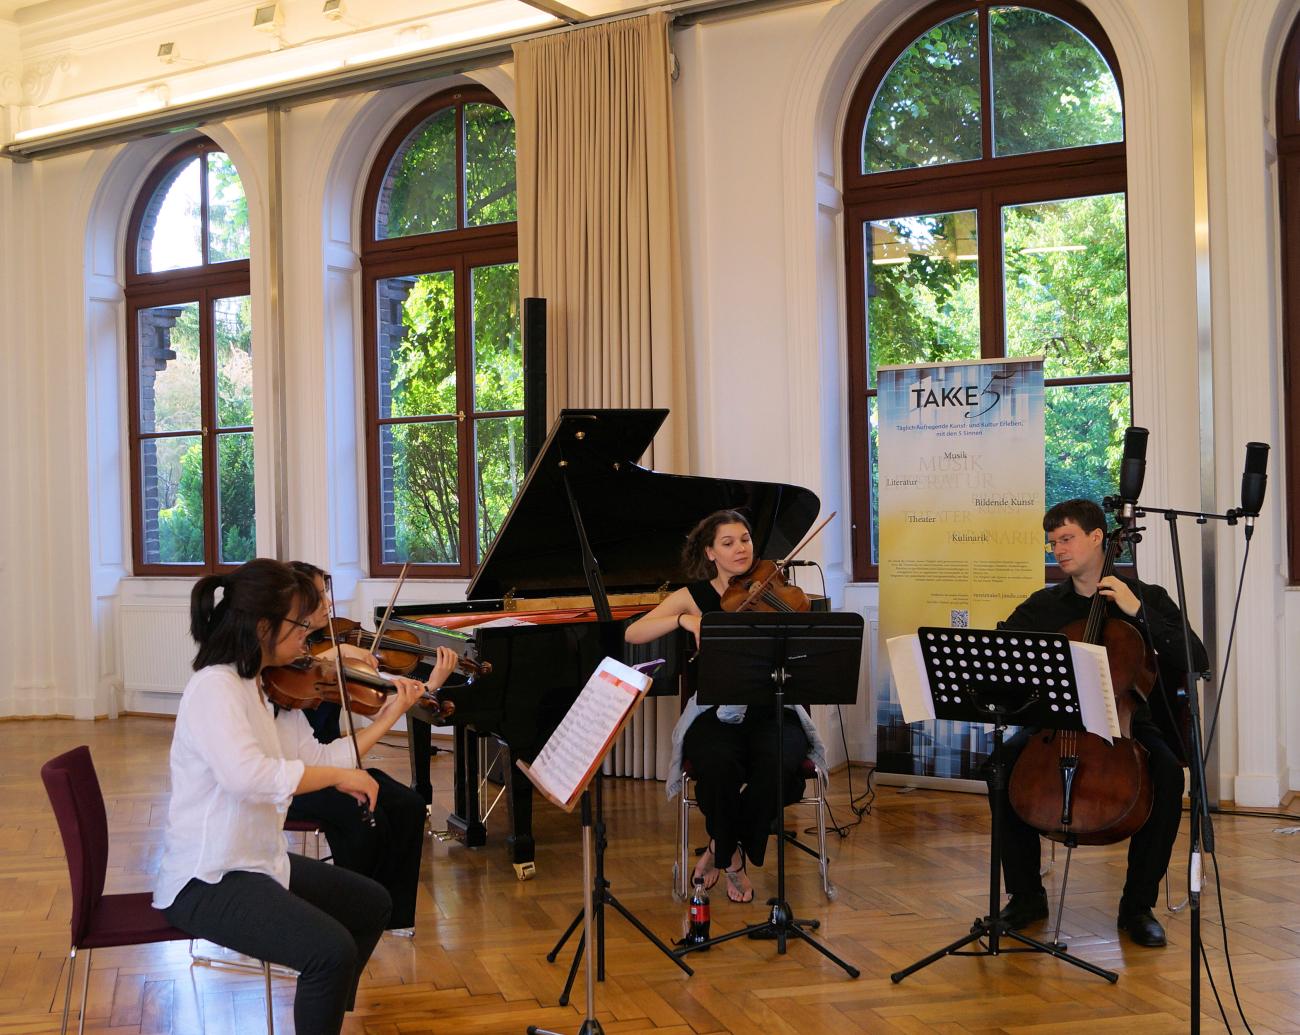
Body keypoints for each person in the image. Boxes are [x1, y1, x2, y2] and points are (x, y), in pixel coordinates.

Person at [152, 559, 448, 1034]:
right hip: (206, 878)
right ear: (263, 627)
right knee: (330, 952)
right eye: (300, 625)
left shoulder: (262, 686)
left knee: (371, 904)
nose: (309, 635)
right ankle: (322, 998)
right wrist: (338, 778)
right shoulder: (215, 688)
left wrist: (388, 715)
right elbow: (247, 776)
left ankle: (324, 1013)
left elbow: (321, 756)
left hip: (256, 861)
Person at [993, 499, 1208, 948]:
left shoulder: (1146, 597)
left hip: (1124, 725)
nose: (1058, 549)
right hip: (1056, 722)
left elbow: (1196, 656)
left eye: (1066, 538)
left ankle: (1137, 906)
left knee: (1168, 775)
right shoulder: (1044, 605)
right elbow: (1002, 652)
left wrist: (1137, 612)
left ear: (1097, 538)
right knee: (1000, 766)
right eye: (1052, 542)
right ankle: (1026, 896)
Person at [625, 509, 826, 904]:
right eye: (728, 543)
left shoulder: (776, 591)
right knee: (717, 765)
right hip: (716, 712)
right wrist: (685, 620)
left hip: (773, 709)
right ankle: (734, 862)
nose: (740, 549)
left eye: (745, 539)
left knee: (780, 766)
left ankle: (721, 847)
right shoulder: (695, 596)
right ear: (710, 552)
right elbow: (634, 632)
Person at [284, 561, 456, 935]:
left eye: (326, 594)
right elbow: (304, 669)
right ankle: (352, 915)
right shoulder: (284, 661)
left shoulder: (327, 649)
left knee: (409, 805)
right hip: (296, 779)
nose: (329, 604)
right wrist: (334, 655)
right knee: (363, 817)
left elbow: (378, 700)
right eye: (319, 596)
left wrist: (428, 685)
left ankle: (394, 916)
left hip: (333, 764)